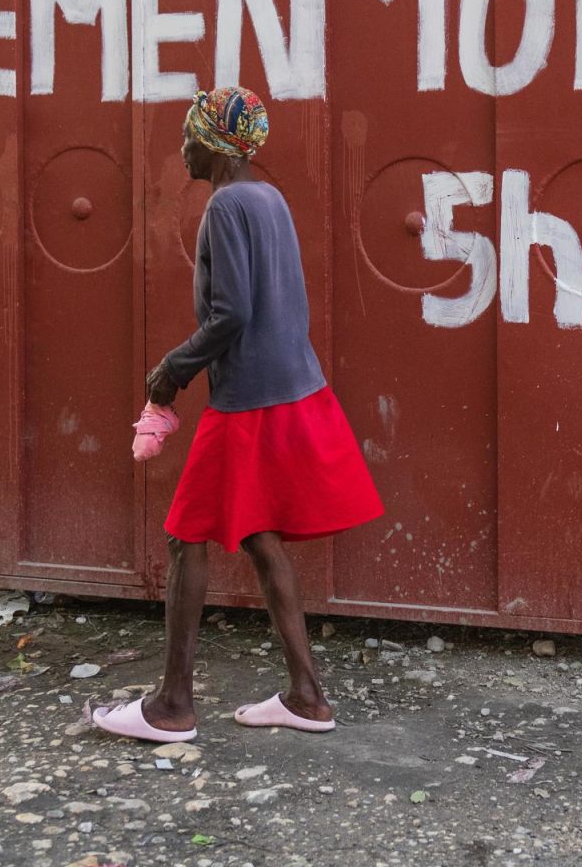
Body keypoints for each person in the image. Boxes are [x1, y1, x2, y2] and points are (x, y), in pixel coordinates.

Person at [92, 86, 384, 743]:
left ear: (213, 143)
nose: (182, 146)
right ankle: (307, 695)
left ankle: (171, 706)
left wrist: (171, 372)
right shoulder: (269, 198)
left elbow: (232, 313)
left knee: (185, 536)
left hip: (246, 399)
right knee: (258, 533)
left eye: (189, 135)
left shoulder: (225, 205)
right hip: (293, 385)